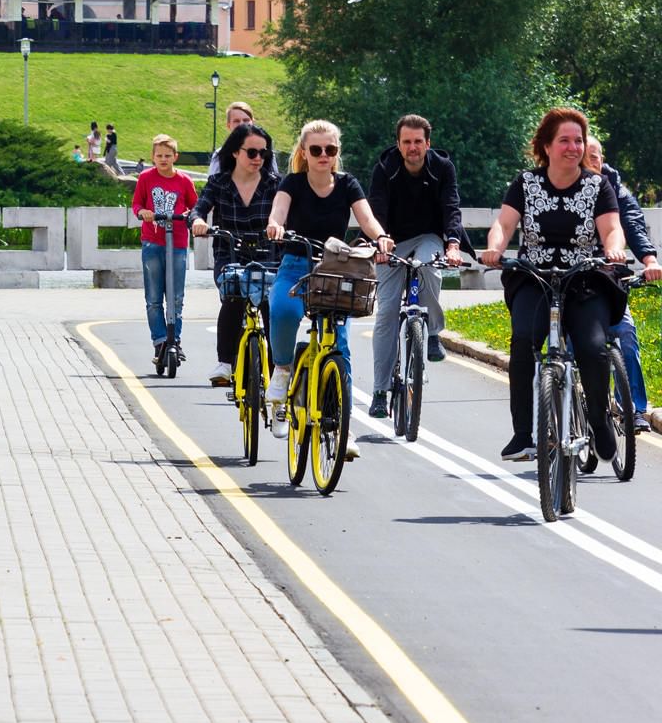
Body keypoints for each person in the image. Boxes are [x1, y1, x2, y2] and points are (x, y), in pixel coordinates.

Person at [480, 109, 630, 462]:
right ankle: (522, 435)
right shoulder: (526, 183)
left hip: (584, 277)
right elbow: (503, 224)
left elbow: (611, 228)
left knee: (593, 349)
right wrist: (495, 249)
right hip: (535, 276)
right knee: (522, 341)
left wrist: (614, 249)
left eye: (578, 140)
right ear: (546, 146)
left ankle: (597, 418)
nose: (573, 147)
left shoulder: (598, 185)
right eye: (564, 140)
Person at [264, 120, 394, 453]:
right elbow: (278, 212)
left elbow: (366, 219)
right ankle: (282, 369)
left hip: (335, 271)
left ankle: (342, 427)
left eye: (330, 150)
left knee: (342, 347)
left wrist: (380, 237)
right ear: (304, 153)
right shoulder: (291, 183)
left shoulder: (348, 184)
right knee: (282, 309)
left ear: (337, 154)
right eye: (316, 150)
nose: (324, 155)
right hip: (295, 265)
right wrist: (276, 226)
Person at [364, 115, 470, 418]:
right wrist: (380, 242)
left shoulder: (442, 168)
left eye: (418, 142)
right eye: (406, 142)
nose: (412, 148)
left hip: (430, 236)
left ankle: (433, 332)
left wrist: (452, 244)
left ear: (428, 143)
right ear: (398, 144)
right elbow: (377, 208)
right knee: (385, 313)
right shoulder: (385, 168)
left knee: (427, 266)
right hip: (391, 240)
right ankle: (380, 391)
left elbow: (452, 206)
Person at [190, 122, 281, 387]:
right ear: (235, 153)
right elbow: (199, 208)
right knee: (233, 297)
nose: (258, 159)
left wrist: (281, 228)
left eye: (263, 153)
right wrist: (198, 222)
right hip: (229, 254)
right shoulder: (219, 183)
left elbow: (288, 213)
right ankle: (225, 363)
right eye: (251, 153)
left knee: (271, 304)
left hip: (268, 256)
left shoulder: (275, 184)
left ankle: (277, 371)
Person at [584, 136, 661, 433]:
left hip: (608, 277)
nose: (595, 162)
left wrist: (649, 260)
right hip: (571, 277)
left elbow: (633, 223)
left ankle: (634, 409)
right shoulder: (566, 187)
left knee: (626, 334)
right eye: (589, 157)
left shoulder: (615, 188)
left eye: (598, 156)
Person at [134, 133, 199, 361]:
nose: (163, 159)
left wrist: (190, 215)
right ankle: (160, 340)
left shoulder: (183, 181)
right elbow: (137, 204)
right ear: (153, 157)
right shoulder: (145, 178)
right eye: (159, 155)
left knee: (176, 297)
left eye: (167, 155)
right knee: (154, 297)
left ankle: (175, 339)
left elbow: (195, 206)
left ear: (175, 157)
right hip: (152, 241)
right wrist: (143, 213)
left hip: (178, 242)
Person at [206, 102, 279, 176]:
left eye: (246, 120)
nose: (242, 124)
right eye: (236, 121)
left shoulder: (266, 151)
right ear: (228, 125)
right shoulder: (220, 155)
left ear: (253, 122)